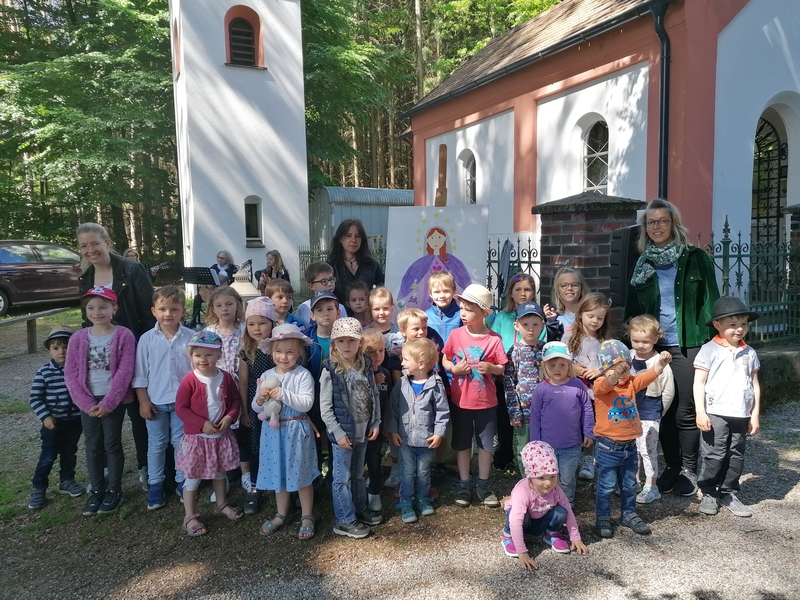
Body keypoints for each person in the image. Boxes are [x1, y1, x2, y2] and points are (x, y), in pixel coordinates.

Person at [625, 198, 719, 497]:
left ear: (673, 223)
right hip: (654, 347)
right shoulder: (642, 263)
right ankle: (672, 466)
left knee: (685, 410)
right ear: (645, 228)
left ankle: (689, 471)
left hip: (688, 343)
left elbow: (711, 301)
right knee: (658, 410)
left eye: (662, 221)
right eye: (651, 222)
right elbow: (632, 308)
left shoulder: (694, 258)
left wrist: (713, 341)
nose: (656, 227)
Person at [77, 222, 154, 490]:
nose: (90, 250)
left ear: (107, 242)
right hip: (101, 359)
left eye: (95, 243)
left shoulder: (132, 270)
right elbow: (86, 321)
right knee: (104, 417)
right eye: (84, 246)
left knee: (138, 412)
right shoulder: (85, 279)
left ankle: (146, 466)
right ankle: (106, 469)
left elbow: (148, 312)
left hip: (133, 350)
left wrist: (146, 353)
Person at [64, 287, 136, 516]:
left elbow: (125, 372)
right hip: (88, 401)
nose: (97, 312)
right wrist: (86, 403)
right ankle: (97, 490)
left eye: (103, 307)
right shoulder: (77, 338)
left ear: (114, 308)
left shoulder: (124, 335)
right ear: (86, 310)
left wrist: (108, 403)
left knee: (112, 444)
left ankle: (115, 489)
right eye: (92, 308)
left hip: (111, 400)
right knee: (93, 445)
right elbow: (71, 373)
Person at [592, 339, 672, 538]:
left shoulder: (631, 384)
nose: (621, 374)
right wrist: (615, 374)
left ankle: (628, 513)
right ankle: (603, 516)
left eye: (626, 369)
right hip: (607, 446)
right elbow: (607, 383)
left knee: (629, 484)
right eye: (615, 369)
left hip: (629, 446)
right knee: (607, 485)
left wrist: (661, 363)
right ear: (604, 370)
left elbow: (648, 376)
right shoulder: (600, 385)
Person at [442, 284, 507, 508]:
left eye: (468, 309)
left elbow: (502, 367)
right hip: (461, 401)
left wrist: (492, 368)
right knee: (461, 444)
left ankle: (483, 483)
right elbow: (445, 359)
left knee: (486, 445)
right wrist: (453, 369)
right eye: (461, 308)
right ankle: (464, 482)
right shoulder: (455, 334)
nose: (463, 313)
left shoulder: (494, 339)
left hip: (487, 403)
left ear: (483, 312)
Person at [694, 297, 761, 518]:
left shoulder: (749, 352)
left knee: (735, 454)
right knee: (714, 453)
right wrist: (701, 412)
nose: (739, 329)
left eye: (743, 324)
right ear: (717, 325)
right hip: (715, 412)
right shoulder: (708, 350)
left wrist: (755, 413)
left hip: (740, 413)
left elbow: (754, 384)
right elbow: (699, 383)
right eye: (732, 325)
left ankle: (729, 492)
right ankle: (709, 492)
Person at [252, 324, 319, 539]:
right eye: (279, 351)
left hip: (296, 431)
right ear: (271, 352)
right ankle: (281, 512)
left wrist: (283, 394)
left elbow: (307, 403)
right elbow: (256, 407)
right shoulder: (265, 374)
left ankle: (307, 515)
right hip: (273, 433)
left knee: (301, 471)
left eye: (290, 352)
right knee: (278, 471)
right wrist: (260, 399)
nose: (284, 356)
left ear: (299, 353)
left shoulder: (303, 375)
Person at [175, 330, 243, 536]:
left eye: (208, 354)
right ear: (191, 356)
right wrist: (201, 424)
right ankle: (190, 515)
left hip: (220, 437)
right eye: (197, 355)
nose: (203, 359)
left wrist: (230, 417)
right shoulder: (189, 380)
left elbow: (235, 401)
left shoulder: (226, 377)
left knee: (220, 472)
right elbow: (181, 408)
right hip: (198, 439)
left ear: (219, 355)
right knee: (193, 477)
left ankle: (221, 504)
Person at [319, 318, 382, 539]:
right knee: (341, 477)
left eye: (352, 341)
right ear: (334, 343)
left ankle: (358, 507)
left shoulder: (364, 365)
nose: (347, 345)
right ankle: (344, 519)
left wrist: (376, 422)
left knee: (357, 474)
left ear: (359, 342)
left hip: (362, 432)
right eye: (342, 341)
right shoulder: (331, 370)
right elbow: (325, 408)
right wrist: (338, 433)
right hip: (343, 436)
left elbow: (374, 394)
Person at [132, 286, 194, 510]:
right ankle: (155, 483)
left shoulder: (191, 337)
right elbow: (140, 374)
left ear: (183, 311)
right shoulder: (147, 340)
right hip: (156, 401)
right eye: (163, 309)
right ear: (153, 311)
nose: (168, 314)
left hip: (182, 403)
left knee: (180, 442)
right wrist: (143, 401)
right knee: (157, 444)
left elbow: (197, 371)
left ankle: (181, 481)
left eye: (174, 309)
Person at [387, 338, 450, 523]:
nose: (402, 363)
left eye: (406, 359)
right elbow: (393, 409)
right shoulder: (401, 384)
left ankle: (423, 498)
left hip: (427, 440)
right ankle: (406, 502)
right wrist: (393, 430)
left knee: (423, 472)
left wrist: (439, 433)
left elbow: (442, 411)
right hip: (405, 439)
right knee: (407, 472)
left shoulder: (436, 385)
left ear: (421, 363)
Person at [501, 441, 588, 570]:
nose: (548, 483)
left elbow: (568, 511)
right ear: (530, 477)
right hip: (522, 520)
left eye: (552, 476)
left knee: (562, 510)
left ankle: (552, 533)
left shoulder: (556, 490)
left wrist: (575, 537)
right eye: (541, 478)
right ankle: (508, 536)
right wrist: (522, 552)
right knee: (517, 514)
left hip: (541, 518)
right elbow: (516, 520)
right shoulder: (522, 491)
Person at [529, 342, 594, 506]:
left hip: (572, 445)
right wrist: (536, 443)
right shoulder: (541, 389)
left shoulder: (577, 385)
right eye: (552, 365)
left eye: (562, 365)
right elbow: (535, 416)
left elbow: (587, 409)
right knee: (548, 478)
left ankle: (566, 503)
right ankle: (548, 503)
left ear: (569, 365)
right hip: (547, 447)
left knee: (567, 478)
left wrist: (588, 432)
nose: (557, 369)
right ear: (545, 366)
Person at [28, 326, 85, 510]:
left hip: (75, 420)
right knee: (48, 455)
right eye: (56, 348)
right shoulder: (44, 372)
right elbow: (35, 397)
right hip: (53, 422)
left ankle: (67, 480)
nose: (62, 351)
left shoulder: (78, 370)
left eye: (66, 346)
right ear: (49, 350)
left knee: (69, 452)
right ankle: (38, 486)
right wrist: (45, 416)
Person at [203, 286, 247, 496]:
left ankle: (245, 473)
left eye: (229, 304)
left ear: (238, 305)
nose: (225, 309)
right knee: (221, 431)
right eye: (219, 305)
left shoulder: (245, 329)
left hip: (242, 386)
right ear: (213, 308)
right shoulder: (208, 333)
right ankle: (223, 477)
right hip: (217, 391)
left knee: (242, 431)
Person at [626, 315, 675, 504]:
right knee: (633, 449)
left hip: (650, 410)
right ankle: (634, 481)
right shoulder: (627, 357)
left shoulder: (660, 361)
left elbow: (668, 390)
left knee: (647, 449)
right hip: (629, 411)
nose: (640, 345)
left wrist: (660, 413)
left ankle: (651, 485)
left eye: (645, 341)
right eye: (635, 340)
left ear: (655, 339)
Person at [562, 292, 611, 482]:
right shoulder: (569, 337)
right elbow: (560, 361)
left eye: (600, 318)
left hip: (595, 394)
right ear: (580, 313)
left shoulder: (605, 342)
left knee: (591, 428)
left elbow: (613, 364)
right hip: (572, 393)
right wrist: (573, 368)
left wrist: (599, 370)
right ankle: (571, 460)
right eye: (591, 316)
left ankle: (588, 460)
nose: (595, 321)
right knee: (573, 426)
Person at [237, 297, 277, 514]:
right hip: (255, 405)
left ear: (272, 323)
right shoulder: (246, 350)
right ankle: (255, 486)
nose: (256, 328)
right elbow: (243, 382)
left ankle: (279, 483)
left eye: (262, 322)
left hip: (277, 404)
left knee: (276, 442)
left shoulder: (278, 347)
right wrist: (244, 410)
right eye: (251, 324)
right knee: (256, 446)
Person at [502, 302, 546, 477]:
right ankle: (527, 481)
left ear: (542, 325)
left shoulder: (546, 350)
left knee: (545, 447)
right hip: (524, 411)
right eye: (525, 324)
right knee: (524, 449)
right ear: (516, 325)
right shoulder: (514, 351)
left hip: (546, 410)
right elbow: (509, 383)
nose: (531, 329)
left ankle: (544, 480)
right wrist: (514, 412)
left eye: (535, 324)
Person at [361, 328, 392, 512]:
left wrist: (386, 424)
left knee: (374, 459)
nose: (377, 355)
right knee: (358, 462)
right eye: (370, 352)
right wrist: (372, 381)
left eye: (380, 350)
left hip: (377, 428)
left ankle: (374, 493)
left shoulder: (386, 373)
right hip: (358, 427)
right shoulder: (357, 373)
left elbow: (387, 401)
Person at [327, 219, 385, 308]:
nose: (353, 240)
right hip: (340, 317)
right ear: (340, 239)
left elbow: (382, 293)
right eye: (348, 236)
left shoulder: (372, 265)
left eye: (357, 236)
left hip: (367, 317)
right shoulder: (330, 266)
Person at [188, 250, 239, 329]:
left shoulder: (232, 269)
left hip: (225, 294)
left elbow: (231, 281)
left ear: (227, 260)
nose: (219, 259)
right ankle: (194, 321)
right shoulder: (214, 267)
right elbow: (207, 276)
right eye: (218, 257)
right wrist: (209, 284)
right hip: (211, 293)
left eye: (222, 258)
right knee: (197, 297)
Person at [543, 267, 590, 339]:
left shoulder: (589, 314)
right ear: (557, 289)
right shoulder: (554, 316)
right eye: (564, 285)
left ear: (581, 287)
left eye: (574, 284)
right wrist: (550, 322)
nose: (569, 288)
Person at [295, 261, 348, 326]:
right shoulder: (303, 308)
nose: (330, 284)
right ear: (311, 286)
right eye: (324, 281)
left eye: (331, 279)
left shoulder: (340, 307)